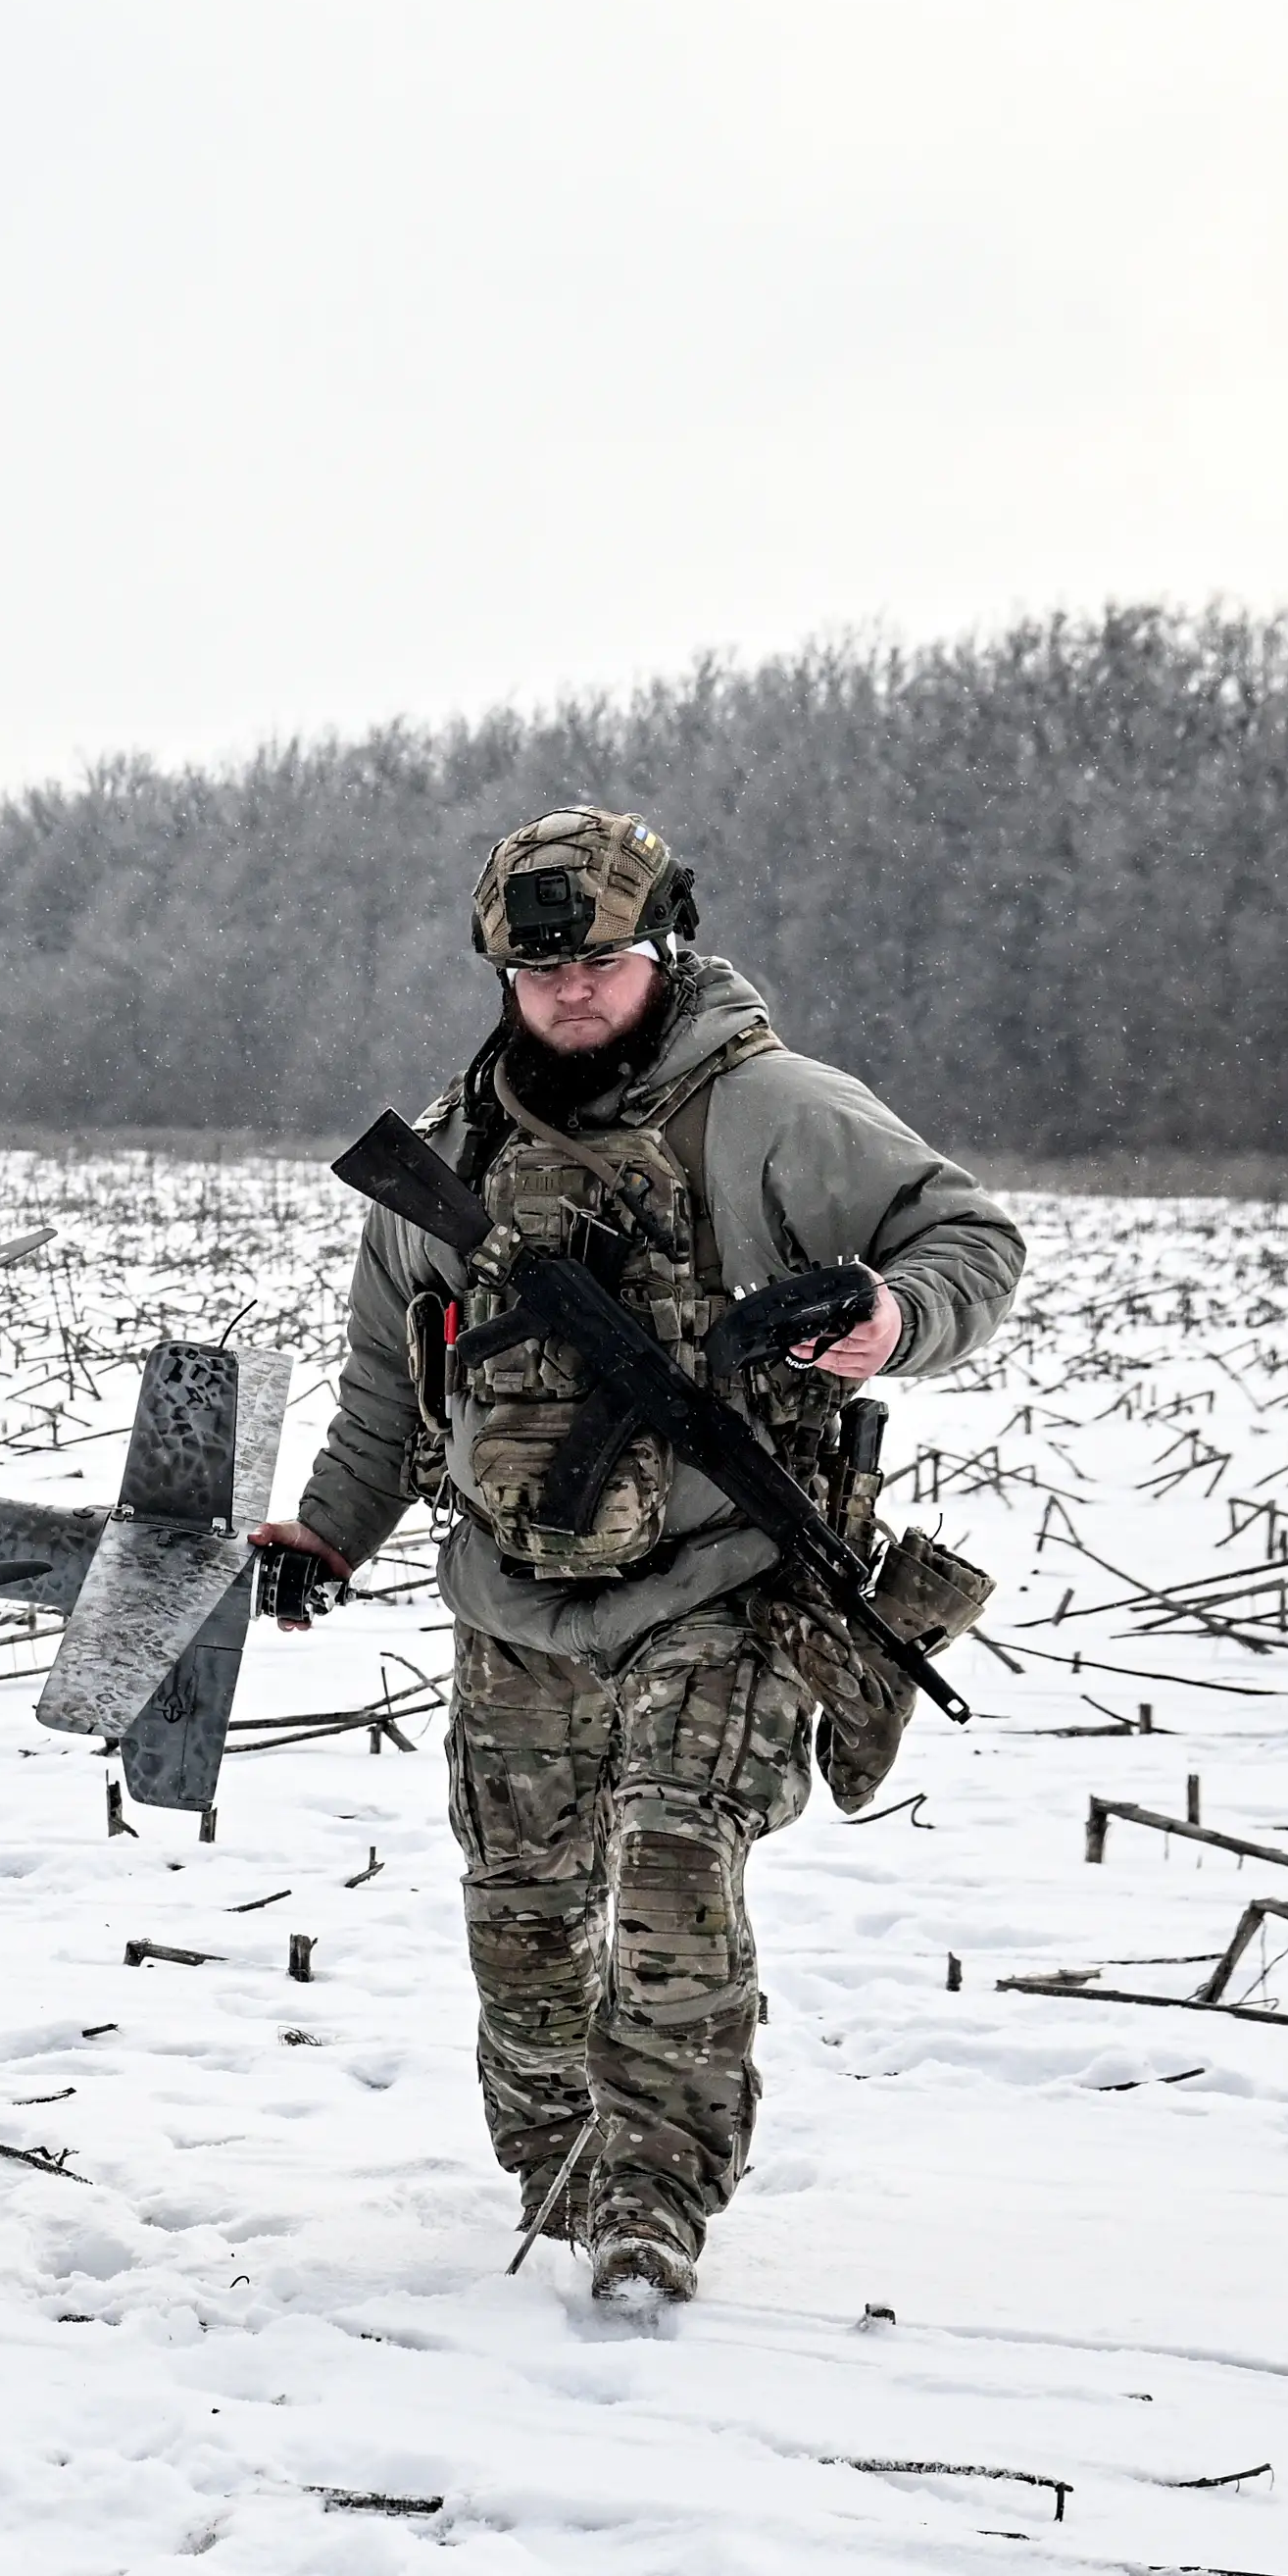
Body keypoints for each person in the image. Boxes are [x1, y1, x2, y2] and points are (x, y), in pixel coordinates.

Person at [249, 809, 1023, 2305]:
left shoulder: (773, 1110)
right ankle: (556, 2177)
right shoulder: (450, 1155)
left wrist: (886, 1317)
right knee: (522, 1921)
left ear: (659, 947)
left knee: (673, 1870)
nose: (572, 993)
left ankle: (653, 2205)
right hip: (512, 1592)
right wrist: (327, 1534)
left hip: (722, 1580)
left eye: (600, 960)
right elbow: (387, 1389)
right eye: (537, 971)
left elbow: (966, 1240)